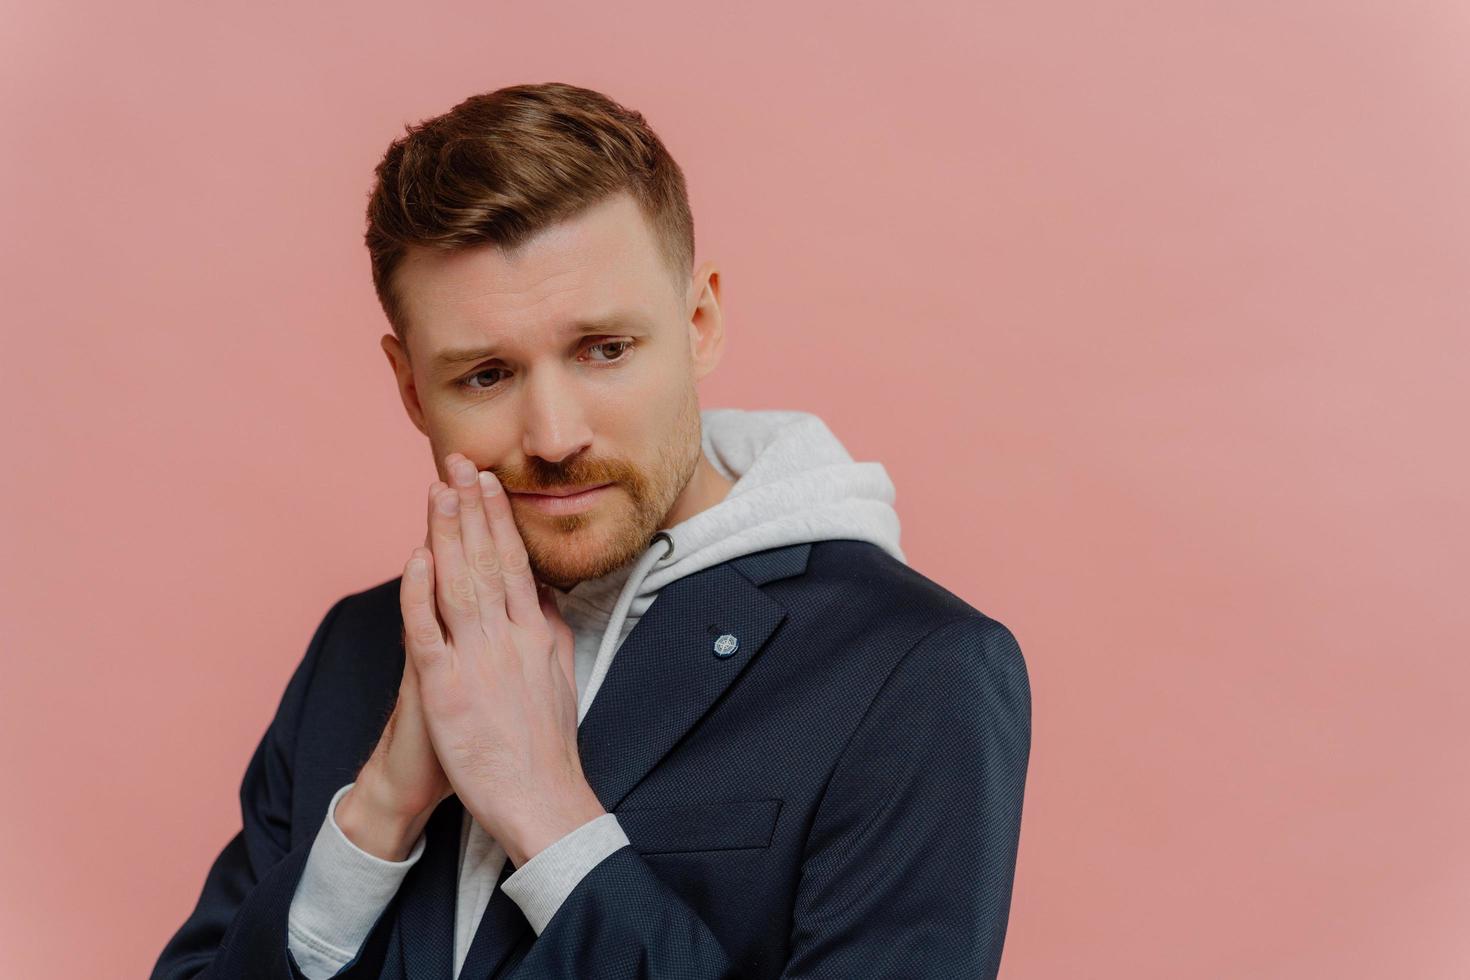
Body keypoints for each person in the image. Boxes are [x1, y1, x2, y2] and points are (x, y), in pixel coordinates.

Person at [150, 81, 1032, 980]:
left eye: (604, 350)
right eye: (486, 375)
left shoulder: (913, 669)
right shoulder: (358, 648)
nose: (555, 436)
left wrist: (548, 817)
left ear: (700, 323)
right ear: (412, 388)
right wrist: (378, 814)